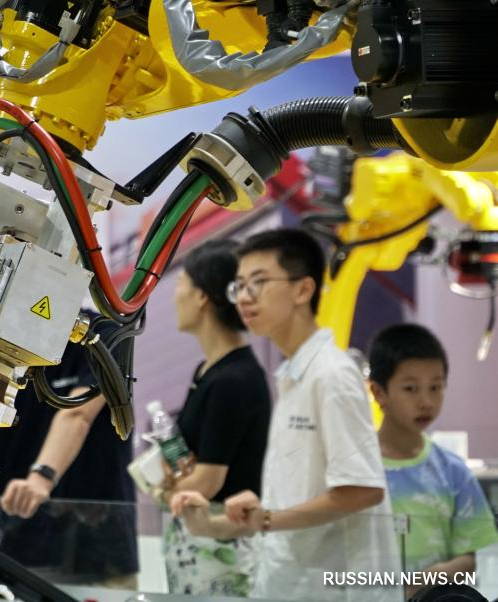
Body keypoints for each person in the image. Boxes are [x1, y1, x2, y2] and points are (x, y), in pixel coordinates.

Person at [170, 228, 401, 602]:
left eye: (259, 283)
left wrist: (266, 519)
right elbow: (293, 503)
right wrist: (212, 524)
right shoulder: (293, 376)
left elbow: (363, 490)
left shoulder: (332, 374)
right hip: (291, 584)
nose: (245, 297)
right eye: (239, 286)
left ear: (303, 290)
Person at [158, 239, 271, 597]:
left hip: (222, 546)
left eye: (180, 284)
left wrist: (164, 491)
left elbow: (206, 481)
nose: (174, 296)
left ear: (202, 296)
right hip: (196, 547)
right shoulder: (208, 371)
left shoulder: (233, 380)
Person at [0, 329, 138, 589]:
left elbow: (78, 415)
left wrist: (41, 477)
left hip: (98, 552)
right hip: (21, 549)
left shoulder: (103, 335)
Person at [368, 323, 498, 597]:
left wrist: (427, 580)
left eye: (435, 387)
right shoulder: (356, 468)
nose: (426, 401)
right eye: (411, 388)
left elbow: (470, 559)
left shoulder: (453, 471)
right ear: (379, 392)